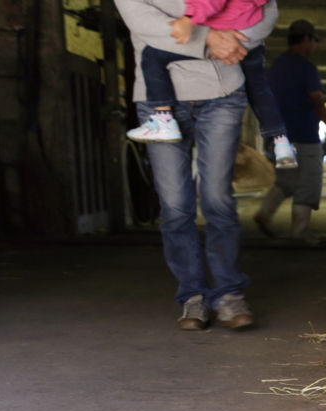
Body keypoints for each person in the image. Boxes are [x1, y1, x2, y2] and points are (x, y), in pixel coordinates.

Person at [115, 0, 277, 330]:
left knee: (218, 197)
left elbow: (268, 8)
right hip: (159, 95)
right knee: (175, 205)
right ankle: (193, 295)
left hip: (222, 91)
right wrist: (205, 36)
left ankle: (229, 294)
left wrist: (237, 37)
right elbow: (139, 18)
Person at [125, 0, 297, 170]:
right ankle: (281, 142)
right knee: (258, 87)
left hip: (223, 37)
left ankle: (163, 120)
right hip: (248, 36)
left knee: (151, 56)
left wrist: (188, 19)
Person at [253, 20, 326, 240]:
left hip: (281, 138)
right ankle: (300, 232)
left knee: (286, 181)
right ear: (306, 39)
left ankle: (264, 214)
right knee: (308, 183)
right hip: (304, 136)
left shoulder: (276, 66)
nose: (314, 47)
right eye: (313, 42)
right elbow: (318, 102)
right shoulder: (306, 68)